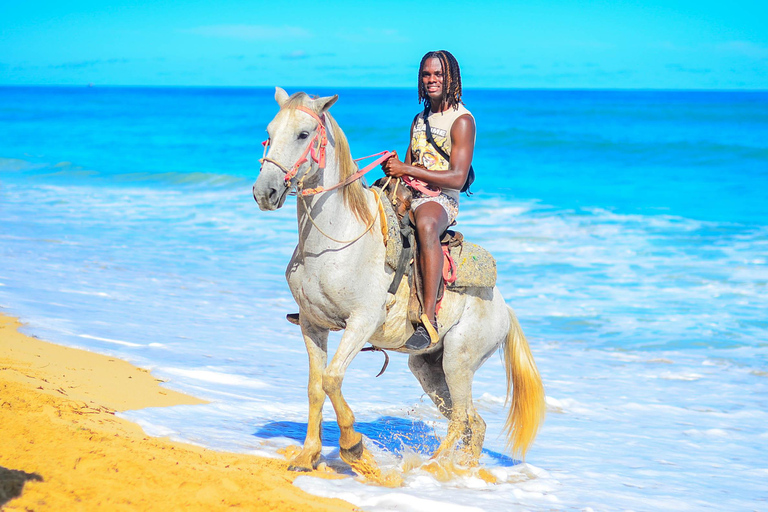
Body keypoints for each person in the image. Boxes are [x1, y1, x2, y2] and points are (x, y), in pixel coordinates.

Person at [382, 50, 475, 350]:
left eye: (438, 75)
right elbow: (410, 162)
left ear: (451, 79)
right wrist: (396, 168)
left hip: (441, 200)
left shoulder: (461, 121)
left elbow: (458, 178)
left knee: (424, 224)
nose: (432, 80)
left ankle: (428, 319)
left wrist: (409, 169)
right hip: (413, 191)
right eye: (426, 75)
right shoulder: (419, 119)